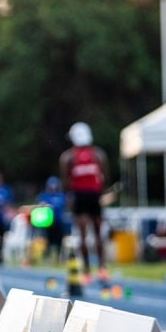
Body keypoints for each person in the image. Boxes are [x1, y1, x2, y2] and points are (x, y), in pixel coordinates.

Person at [59, 121, 110, 284]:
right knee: (96, 233)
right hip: (93, 196)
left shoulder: (68, 157)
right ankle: (100, 268)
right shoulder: (98, 154)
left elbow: (65, 182)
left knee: (85, 234)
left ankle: (89, 270)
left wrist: (69, 197)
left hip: (81, 197)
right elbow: (105, 178)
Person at [35, 176, 69, 262]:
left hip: (59, 222)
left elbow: (65, 205)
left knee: (59, 240)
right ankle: (47, 256)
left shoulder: (61, 195)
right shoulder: (44, 196)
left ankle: (58, 256)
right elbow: (39, 204)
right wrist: (42, 205)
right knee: (47, 239)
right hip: (48, 222)